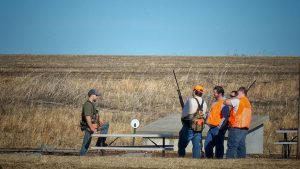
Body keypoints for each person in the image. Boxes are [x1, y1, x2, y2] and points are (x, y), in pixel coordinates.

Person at [178, 84, 207, 159]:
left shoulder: (191, 100)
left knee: (182, 144)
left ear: (194, 91)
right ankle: (196, 160)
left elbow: (184, 114)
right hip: (199, 127)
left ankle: (181, 158)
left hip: (188, 126)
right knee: (196, 145)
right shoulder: (205, 103)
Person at [224, 87, 252, 158]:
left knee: (232, 145)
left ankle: (229, 161)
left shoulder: (237, 101)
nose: (237, 94)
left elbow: (226, 102)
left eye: (238, 93)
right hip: (245, 127)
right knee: (241, 145)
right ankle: (241, 161)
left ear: (242, 93)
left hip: (236, 127)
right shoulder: (248, 102)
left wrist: (233, 98)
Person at [79, 89, 109, 156]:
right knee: (86, 144)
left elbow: (95, 114)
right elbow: (87, 116)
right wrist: (91, 127)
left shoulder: (92, 104)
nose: (97, 97)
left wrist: (99, 120)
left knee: (106, 125)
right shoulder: (87, 104)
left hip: (94, 124)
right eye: (96, 95)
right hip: (89, 127)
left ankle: (99, 144)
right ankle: (81, 156)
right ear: (92, 95)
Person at [204, 86, 230, 159]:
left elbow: (225, 116)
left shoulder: (225, 103)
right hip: (212, 127)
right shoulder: (215, 103)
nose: (213, 94)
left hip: (218, 128)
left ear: (220, 93)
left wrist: (219, 127)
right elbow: (210, 114)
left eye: (215, 93)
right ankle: (209, 159)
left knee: (219, 145)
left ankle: (219, 160)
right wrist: (206, 119)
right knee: (207, 144)